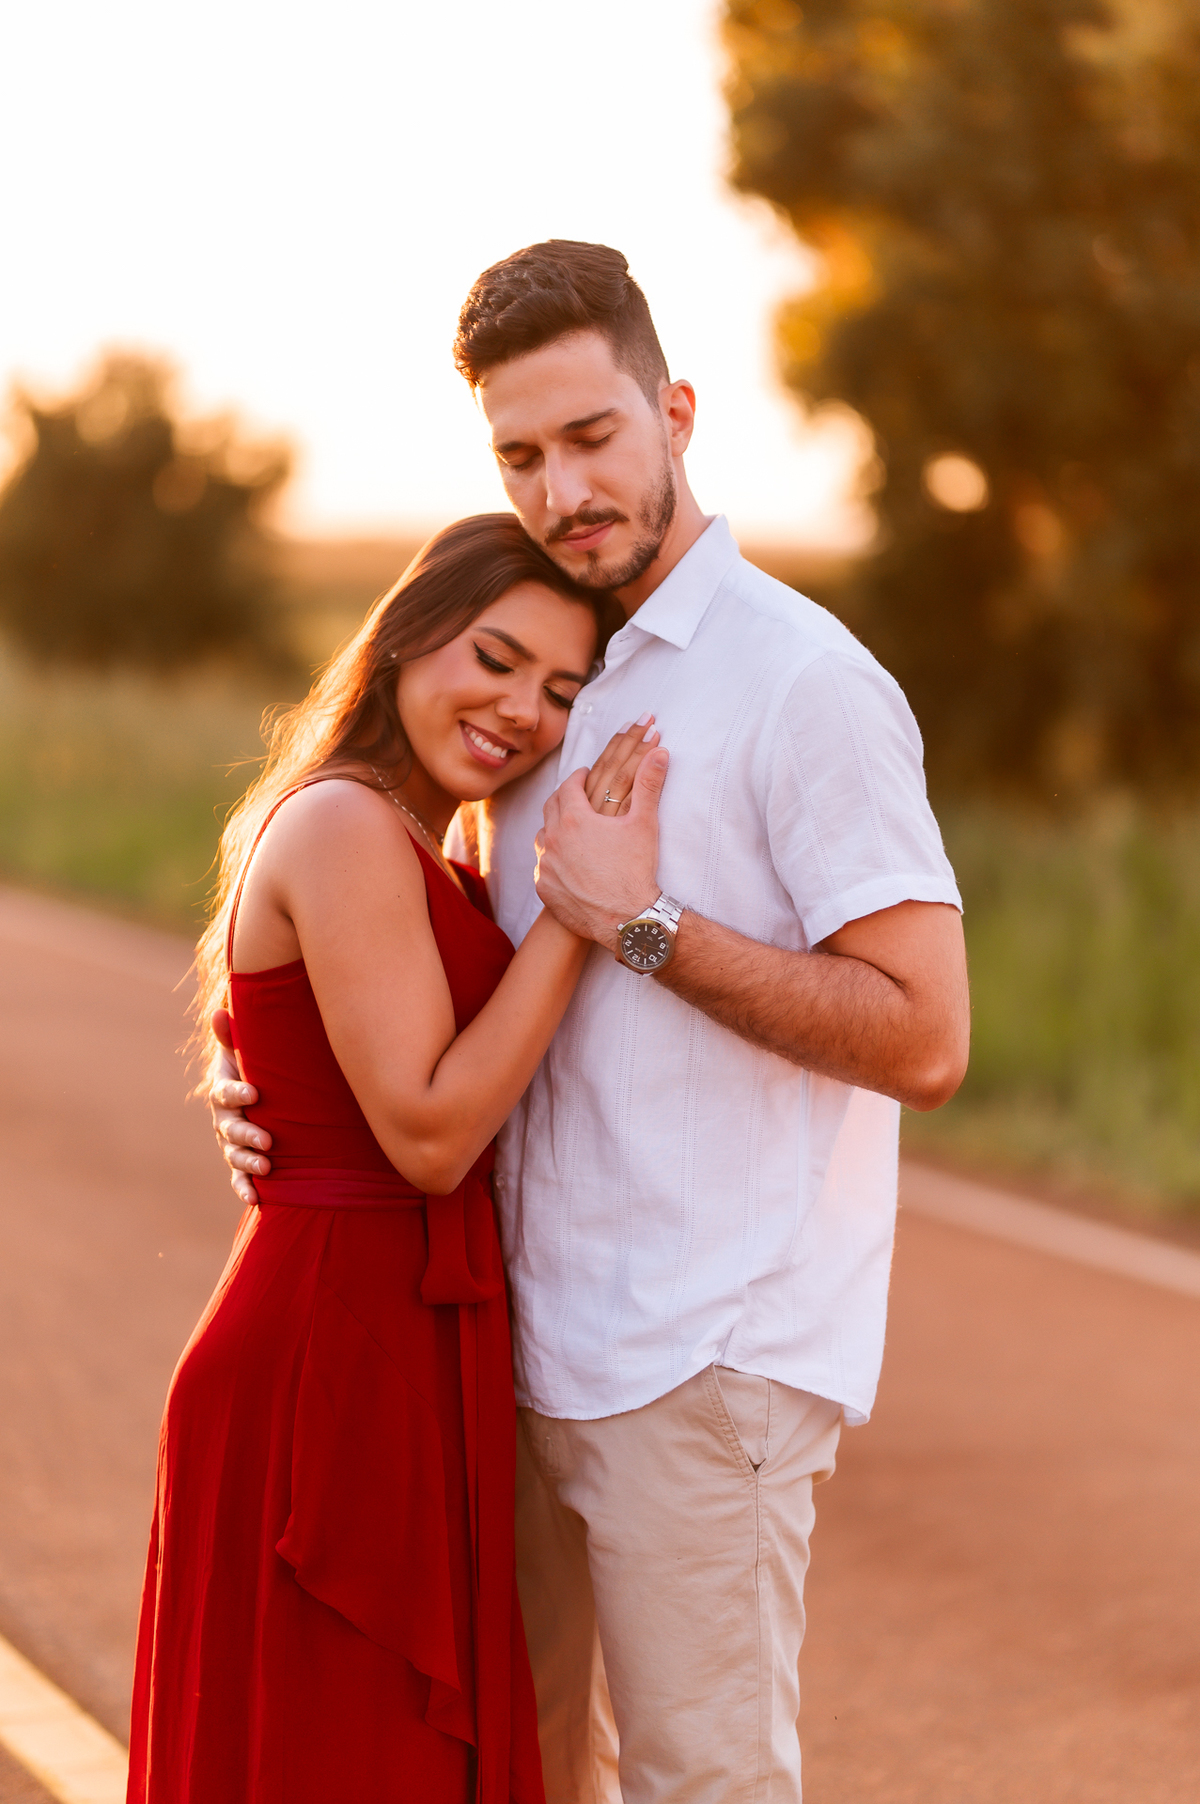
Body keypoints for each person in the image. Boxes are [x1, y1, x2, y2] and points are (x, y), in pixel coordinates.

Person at [213, 243, 971, 1803]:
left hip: (707, 1354)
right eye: (520, 454)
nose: (562, 486)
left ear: (676, 412)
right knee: (530, 1779)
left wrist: (642, 924)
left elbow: (926, 1037)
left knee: (703, 1787)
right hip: (510, 1344)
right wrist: (279, 1101)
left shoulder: (801, 682)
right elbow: (415, 971)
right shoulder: (553, 675)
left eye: (593, 437)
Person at [128, 513, 662, 1804]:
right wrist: (585, 915)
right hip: (333, 1351)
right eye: (494, 657)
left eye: (558, 691)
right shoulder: (348, 828)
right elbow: (427, 1134)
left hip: (405, 1332)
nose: (520, 711)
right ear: (409, 636)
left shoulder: (424, 841)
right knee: (338, 1759)